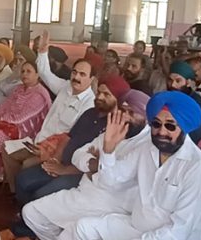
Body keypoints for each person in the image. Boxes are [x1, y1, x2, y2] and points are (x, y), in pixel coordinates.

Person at [69, 91, 201, 240]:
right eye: (156, 124)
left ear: (184, 129)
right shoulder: (147, 148)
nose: (161, 132)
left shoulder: (198, 169)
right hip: (137, 228)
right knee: (82, 228)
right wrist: (108, 149)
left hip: (170, 237)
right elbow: (109, 181)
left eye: (170, 126)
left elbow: (178, 232)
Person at [14, 90, 151, 240]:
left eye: (132, 113)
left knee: (71, 232)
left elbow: (111, 180)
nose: (125, 117)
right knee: (31, 212)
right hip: (84, 191)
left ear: (146, 117)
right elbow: (78, 155)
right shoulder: (114, 128)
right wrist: (96, 164)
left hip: (109, 203)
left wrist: (103, 157)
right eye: (123, 110)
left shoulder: (146, 145)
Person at [0, 31, 95, 192]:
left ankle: (22, 197)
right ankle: (14, 191)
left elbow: (70, 138)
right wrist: (42, 52)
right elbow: (44, 73)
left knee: (26, 164)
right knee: (7, 150)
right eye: (74, 72)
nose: (76, 77)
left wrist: (45, 150)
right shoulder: (65, 88)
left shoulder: (89, 105)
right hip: (38, 140)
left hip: (55, 150)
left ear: (91, 79)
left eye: (82, 74)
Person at [13, 75, 130, 205]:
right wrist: (56, 159)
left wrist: (63, 170)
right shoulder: (90, 113)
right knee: (22, 179)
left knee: (40, 195)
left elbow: (97, 164)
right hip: (62, 162)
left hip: (79, 174)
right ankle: (25, 213)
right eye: (99, 92)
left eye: (107, 94)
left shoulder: (116, 126)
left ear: (118, 99)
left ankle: (35, 219)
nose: (100, 97)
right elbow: (67, 138)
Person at [0, 61, 51, 184]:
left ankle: (1, 172)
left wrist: (0, 121)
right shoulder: (19, 89)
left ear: (37, 74)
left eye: (29, 71)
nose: (24, 74)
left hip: (26, 129)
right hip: (8, 122)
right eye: (23, 71)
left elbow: (22, 118)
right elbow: (5, 105)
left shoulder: (39, 94)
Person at [167, 61, 201, 143]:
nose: (172, 85)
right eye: (170, 80)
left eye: (178, 81)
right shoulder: (169, 98)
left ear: (188, 83)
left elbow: (194, 136)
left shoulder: (197, 104)